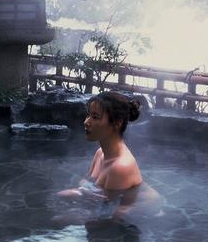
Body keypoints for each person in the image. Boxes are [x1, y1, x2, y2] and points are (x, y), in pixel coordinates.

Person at [57, 91, 162, 222]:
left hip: (143, 207)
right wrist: (85, 191)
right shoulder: (101, 153)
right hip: (114, 200)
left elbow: (105, 209)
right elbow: (86, 181)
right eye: (88, 115)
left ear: (117, 123)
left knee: (61, 220)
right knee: (60, 196)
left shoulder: (120, 166)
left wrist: (82, 198)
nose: (86, 122)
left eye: (95, 117)